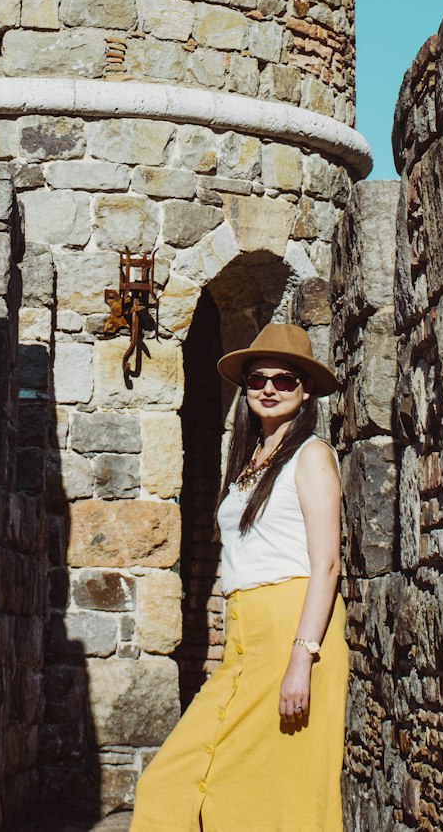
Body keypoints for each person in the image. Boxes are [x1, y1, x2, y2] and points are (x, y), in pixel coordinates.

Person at [129, 322, 348, 832]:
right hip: (248, 639)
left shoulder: (311, 456)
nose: (268, 388)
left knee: (271, 802)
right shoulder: (250, 461)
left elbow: (328, 564)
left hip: (295, 636)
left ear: (306, 389)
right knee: (170, 783)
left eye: (284, 379)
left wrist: (301, 657)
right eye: (257, 379)